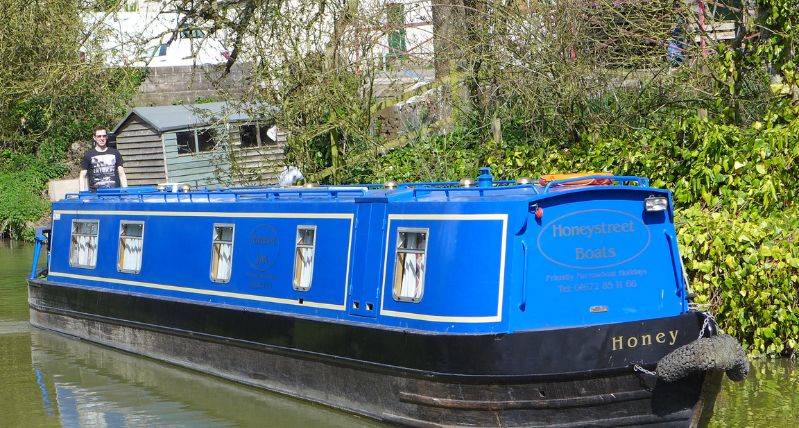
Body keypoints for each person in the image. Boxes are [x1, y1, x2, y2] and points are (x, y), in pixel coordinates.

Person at [79, 126, 128, 191]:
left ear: (107, 137)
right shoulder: (88, 155)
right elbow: (82, 176)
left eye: (104, 136)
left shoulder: (115, 153)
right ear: (94, 138)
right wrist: (82, 194)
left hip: (115, 194)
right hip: (95, 196)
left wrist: (126, 191)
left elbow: (121, 174)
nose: (102, 138)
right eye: (99, 136)